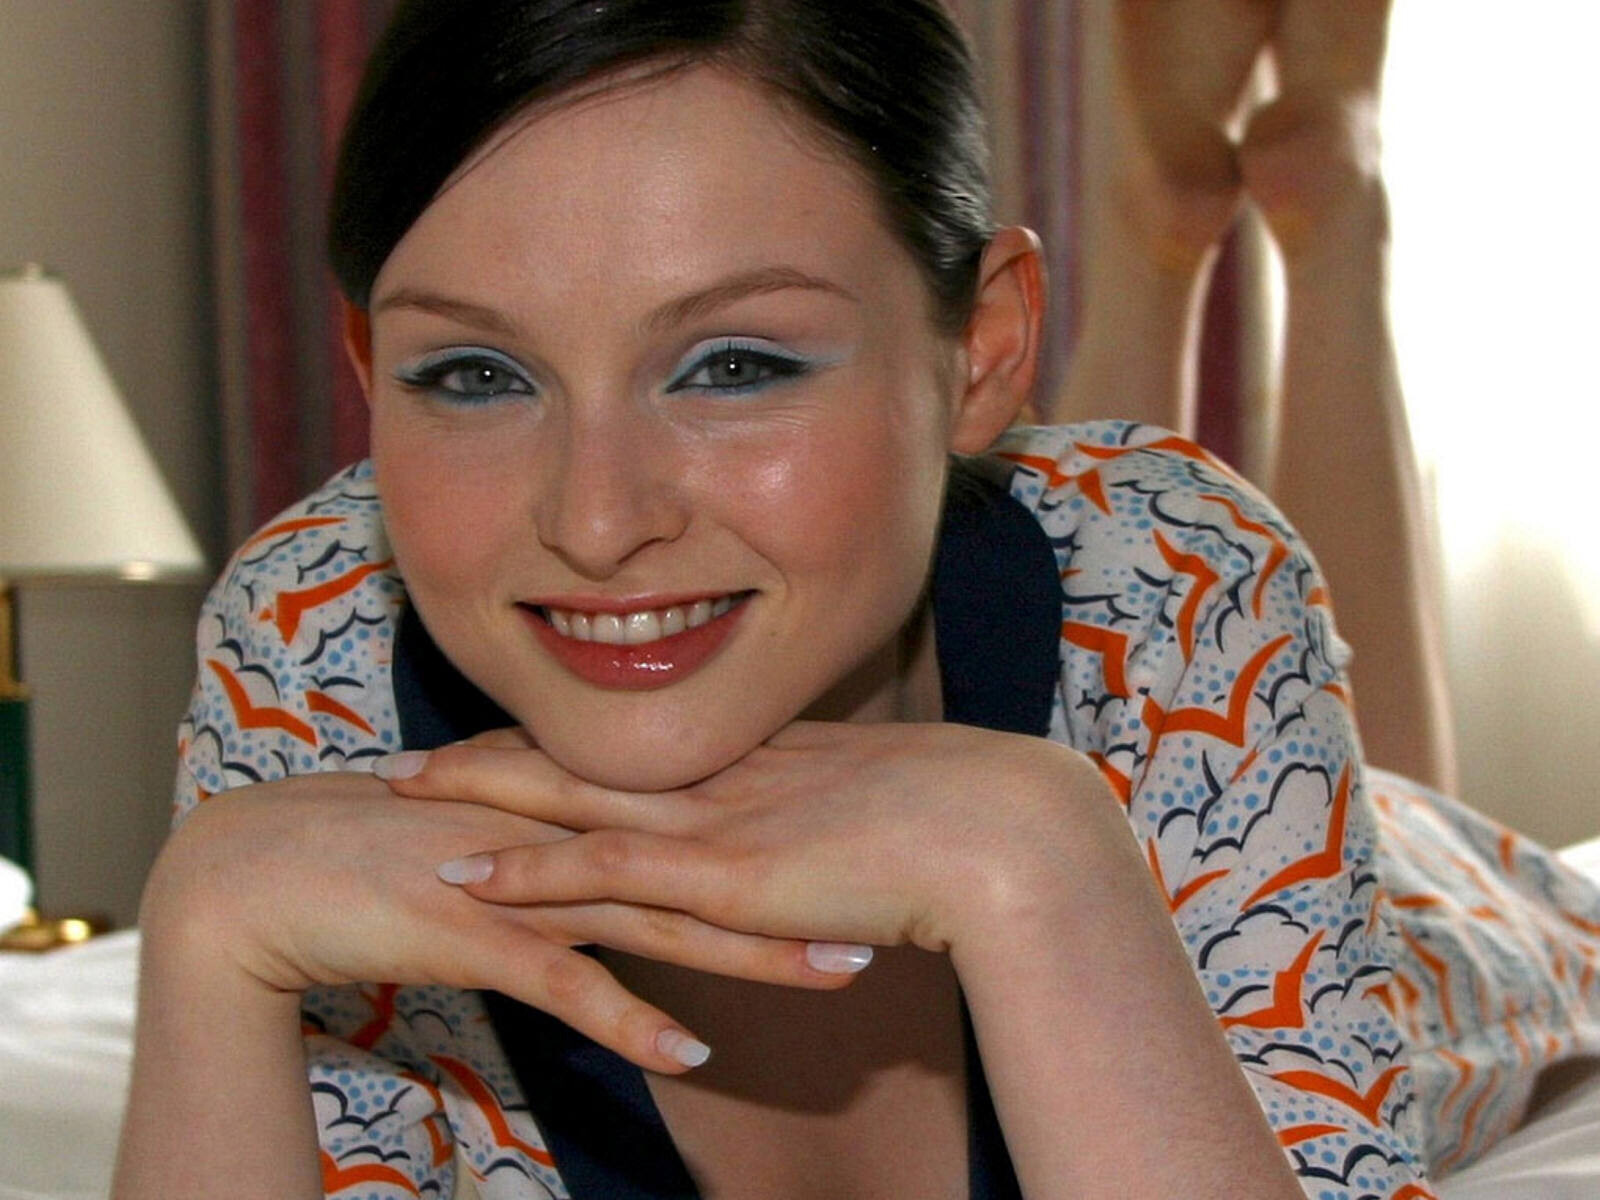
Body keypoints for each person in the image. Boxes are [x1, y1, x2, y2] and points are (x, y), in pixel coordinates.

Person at [113, 2, 1598, 1198]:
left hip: (1439, 921)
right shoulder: (312, 636)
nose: (597, 522)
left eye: (735, 364)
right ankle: (1162, 227)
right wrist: (201, 949)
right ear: (370, 372)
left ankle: (1329, 211)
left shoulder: (1174, 567)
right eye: (475, 374)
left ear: (986, 347)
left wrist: (1041, 866)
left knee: (1206, 623)